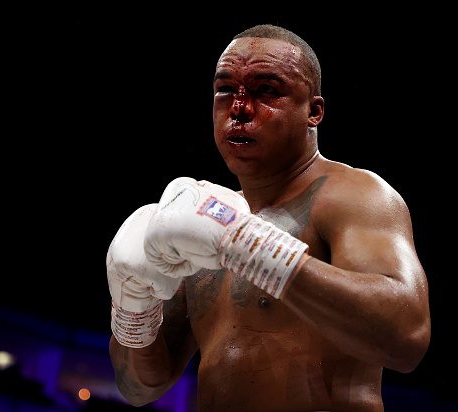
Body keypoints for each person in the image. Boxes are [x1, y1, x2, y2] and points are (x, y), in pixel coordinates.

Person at [106, 23, 431, 412]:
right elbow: (141, 387)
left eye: (266, 90)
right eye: (225, 90)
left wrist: (250, 245)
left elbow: (406, 336)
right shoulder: (202, 221)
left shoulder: (352, 196)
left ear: (313, 111)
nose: (240, 109)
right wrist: (132, 307)